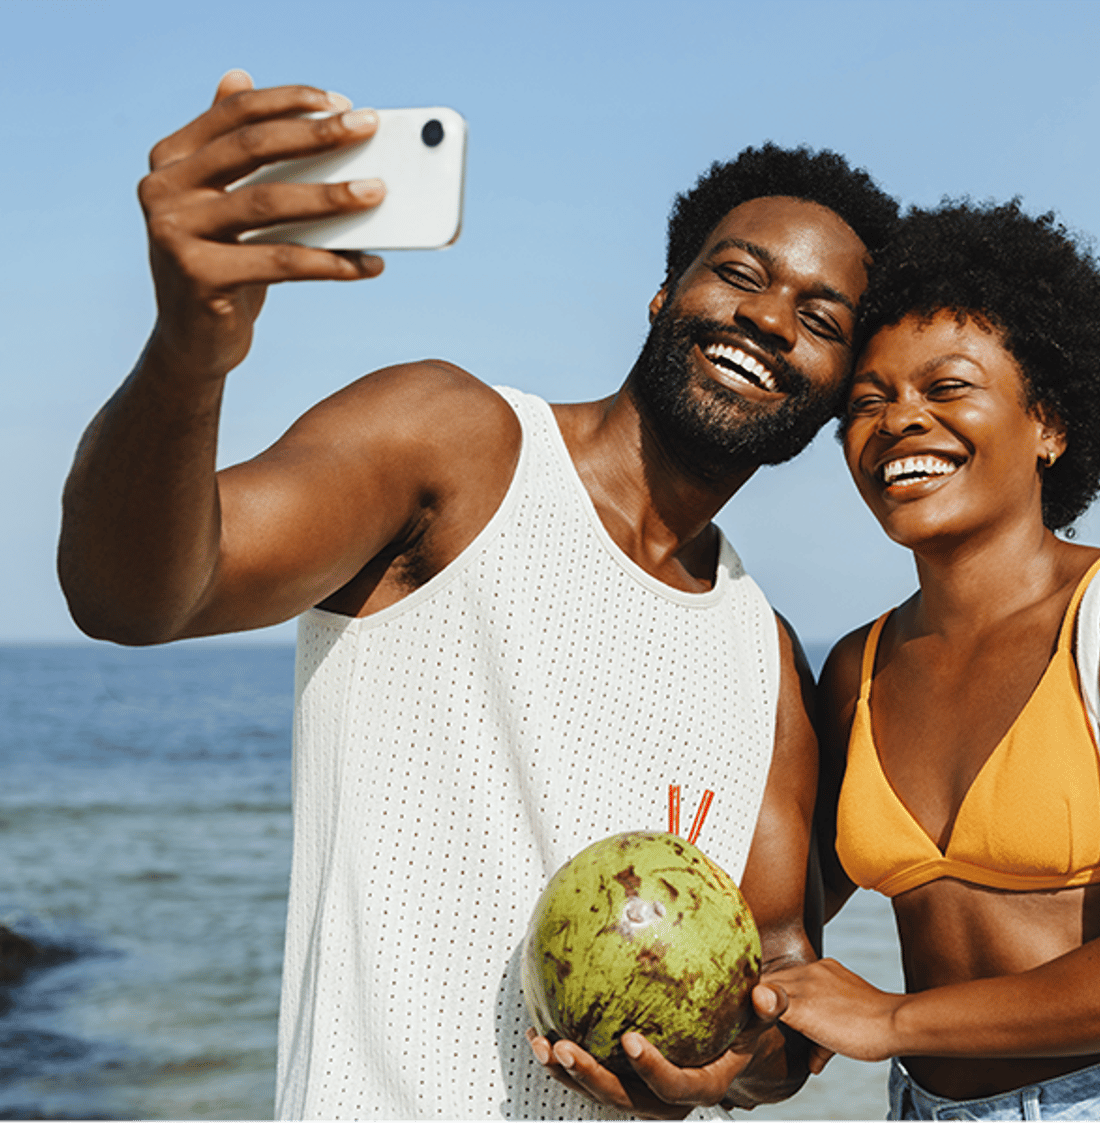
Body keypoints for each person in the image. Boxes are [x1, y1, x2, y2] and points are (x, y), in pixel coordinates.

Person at [56, 71, 898, 1121]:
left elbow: (774, 985)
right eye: (738, 273)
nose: (767, 318)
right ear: (662, 291)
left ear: (836, 388)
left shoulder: (763, 657)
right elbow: (132, 596)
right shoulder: (455, 445)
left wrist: (727, 1069)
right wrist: (188, 355)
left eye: (819, 317)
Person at [763, 199, 1100, 1122]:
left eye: (946, 388)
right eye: (868, 401)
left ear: (1051, 425)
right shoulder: (857, 670)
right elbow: (776, 924)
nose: (899, 421)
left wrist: (898, 1018)